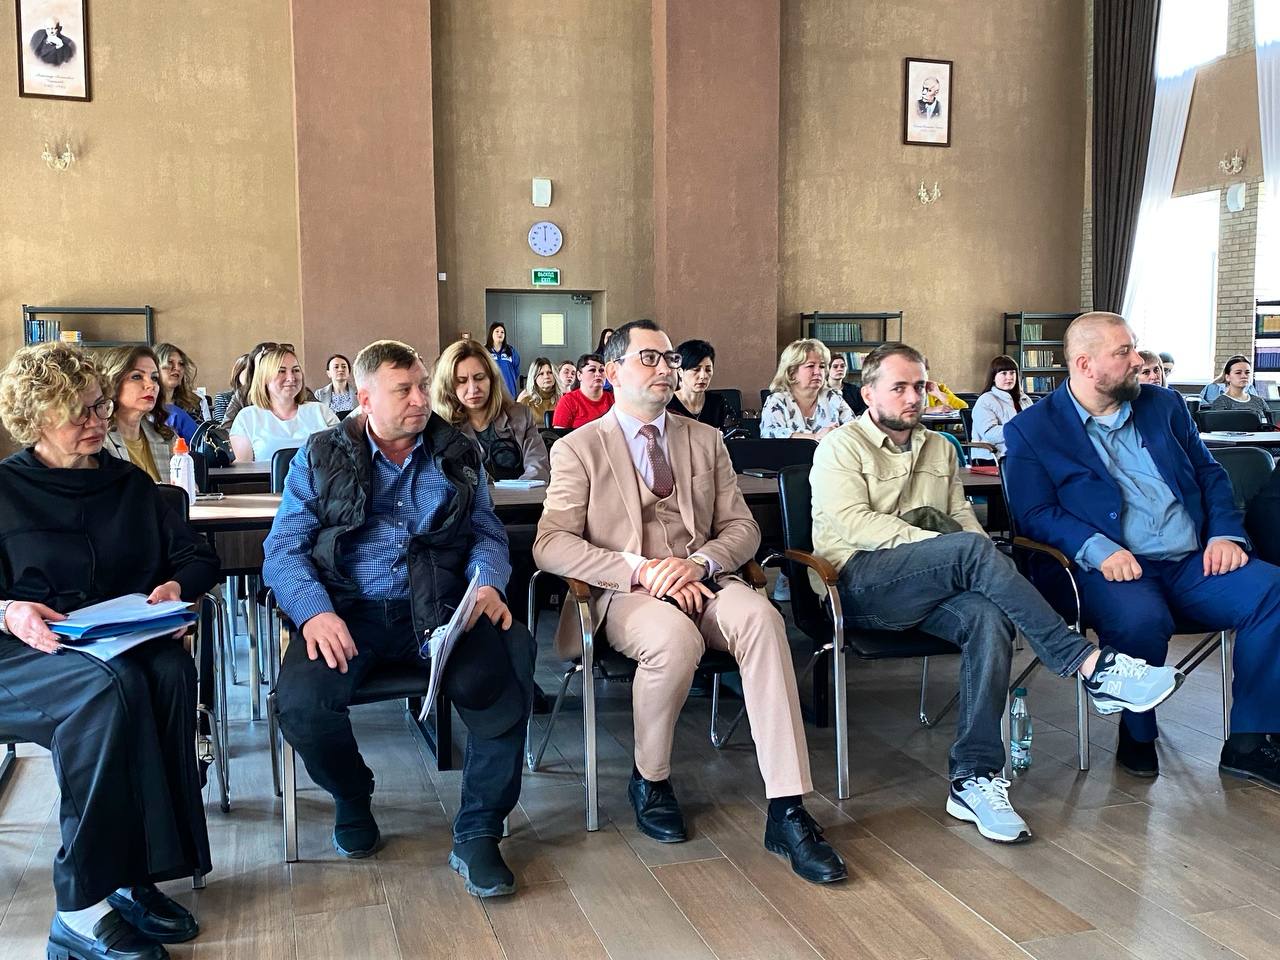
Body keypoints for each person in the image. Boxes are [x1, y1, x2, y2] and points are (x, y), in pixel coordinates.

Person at [810, 341, 1183, 841]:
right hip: (858, 585)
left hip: (933, 584)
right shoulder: (839, 446)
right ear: (868, 392)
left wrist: (977, 561)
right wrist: (954, 552)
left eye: (920, 386)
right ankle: (1090, 664)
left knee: (987, 617)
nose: (913, 397)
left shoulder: (941, 447)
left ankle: (974, 776)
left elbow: (963, 520)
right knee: (969, 551)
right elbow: (854, 523)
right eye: (899, 387)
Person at [534, 320, 847, 884]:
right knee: (673, 640)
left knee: (763, 620)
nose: (665, 368)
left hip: (704, 579)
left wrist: (699, 563)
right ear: (613, 371)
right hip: (627, 591)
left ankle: (787, 807)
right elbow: (551, 543)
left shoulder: (704, 440)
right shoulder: (579, 447)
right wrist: (642, 569)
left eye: (669, 358)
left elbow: (743, 529)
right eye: (649, 358)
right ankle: (650, 779)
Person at [263, 339, 535, 897]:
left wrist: (487, 582)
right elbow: (283, 550)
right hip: (349, 610)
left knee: (509, 664)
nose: (420, 399)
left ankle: (479, 828)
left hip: (439, 607)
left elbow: (486, 532)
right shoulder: (320, 455)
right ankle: (351, 794)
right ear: (365, 399)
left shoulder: (455, 450)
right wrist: (314, 613)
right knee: (303, 706)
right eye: (403, 390)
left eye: (421, 386)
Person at [0, 342, 219, 960]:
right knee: (106, 688)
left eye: (99, 406)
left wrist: (176, 589)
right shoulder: (3, 490)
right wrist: (9, 610)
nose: (97, 421)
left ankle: (132, 875)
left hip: (108, 644)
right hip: (19, 654)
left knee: (169, 671)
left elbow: (196, 557)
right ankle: (78, 909)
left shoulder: (128, 484)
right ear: (37, 418)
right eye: (79, 412)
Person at [1004, 312, 1280, 784]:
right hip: (1111, 567)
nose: (1138, 361)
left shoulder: (1164, 406)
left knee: (1272, 590)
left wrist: (1224, 533)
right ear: (1085, 364)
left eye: (1134, 347)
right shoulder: (1033, 428)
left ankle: (1250, 742)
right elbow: (1035, 513)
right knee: (1139, 618)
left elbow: (1210, 474)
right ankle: (1137, 733)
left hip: (1193, 560)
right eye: (1124, 352)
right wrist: (1097, 549)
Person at [432, 339, 549, 482]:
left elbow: (538, 468)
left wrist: (515, 491)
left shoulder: (521, 415)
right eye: (461, 381)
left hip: (523, 495)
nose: (473, 389)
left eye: (479, 378)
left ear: (492, 379)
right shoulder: (441, 427)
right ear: (448, 386)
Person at [228, 345, 338, 463]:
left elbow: (341, 458)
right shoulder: (247, 418)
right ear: (264, 378)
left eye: (296, 370)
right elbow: (244, 470)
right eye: (281, 371)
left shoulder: (321, 411)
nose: (291, 378)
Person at [100, 346, 176, 483]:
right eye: (137, 376)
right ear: (112, 383)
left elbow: (185, 490)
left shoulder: (167, 437)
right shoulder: (98, 442)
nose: (151, 385)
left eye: (154, 378)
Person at [760, 339, 854, 440]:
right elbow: (769, 434)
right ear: (792, 372)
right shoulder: (777, 401)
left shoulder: (832, 397)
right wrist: (815, 437)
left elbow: (855, 429)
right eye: (811, 366)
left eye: (822, 366)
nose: (818, 372)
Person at [970, 355, 1034, 458]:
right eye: (1004, 373)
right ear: (993, 377)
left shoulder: (1024, 399)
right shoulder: (985, 400)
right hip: (995, 456)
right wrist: (1018, 430)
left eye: (1012, 373)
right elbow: (989, 434)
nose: (1009, 377)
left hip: (1024, 453)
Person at [667, 339, 732, 428]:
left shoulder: (718, 402)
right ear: (680, 371)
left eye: (708, 370)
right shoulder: (667, 404)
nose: (703, 376)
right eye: (696, 369)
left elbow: (737, 433)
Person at [552, 353, 615, 428]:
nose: (598, 374)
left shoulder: (614, 399)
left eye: (602, 370)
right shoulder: (568, 401)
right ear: (579, 375)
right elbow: (558, 434)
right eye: (592, 370)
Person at [1205, 355, 1270, 425]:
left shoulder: (1259, 401)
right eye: (1238, 373)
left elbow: (1272, 424)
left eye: (1247, 372)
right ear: (1228, 377)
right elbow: (1217, 428)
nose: (1244, 376)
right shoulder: (1221, 402)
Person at [155, 342, 211, 423]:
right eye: (170, 362)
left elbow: (206, 429)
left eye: (181, 364)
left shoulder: (196, 402)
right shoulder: (146, 406)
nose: (177, 368)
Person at [516, 356, 562, 426]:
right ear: (534, 378)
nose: (546, 376)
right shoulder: (525, 401)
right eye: (541, 374)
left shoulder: (563, 399)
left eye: (550, 372)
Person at [485, 323, 521, 400]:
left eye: (502, 332)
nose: (500, 334)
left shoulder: (511, 351)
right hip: (492, 394)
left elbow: (516, 370)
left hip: (509, 393)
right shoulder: (485, 351)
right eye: (497, 331)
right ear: (491, 333)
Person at [212, 353, 249, 424]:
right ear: (238, 373)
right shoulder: (223, 397)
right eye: (249, 372)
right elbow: (221, 426)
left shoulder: (262, 398)